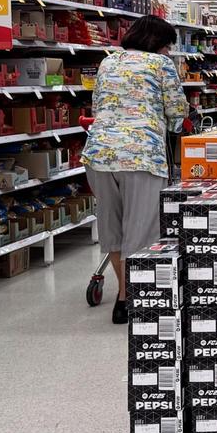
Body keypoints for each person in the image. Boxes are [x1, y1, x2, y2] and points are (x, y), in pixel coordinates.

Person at [81, 16, 188, 324]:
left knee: (112, 227)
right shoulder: (161, 65)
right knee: (140, 230)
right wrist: (176, 123)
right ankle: (131, 299)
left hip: (99, 154)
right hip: (141, 155)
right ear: (157, 43)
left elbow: (96, 105)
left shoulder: (107, 63)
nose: (168, 51)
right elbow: (176, 111)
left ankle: (123, 292)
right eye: (167, 45)